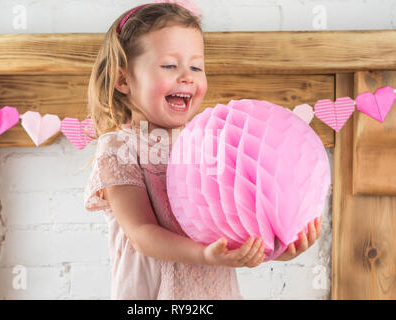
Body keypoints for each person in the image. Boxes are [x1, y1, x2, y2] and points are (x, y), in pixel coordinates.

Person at [83, 2, 322, 300]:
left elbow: (237, 218)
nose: (187, 76)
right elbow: (141, 232)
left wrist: (275, 245)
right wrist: (206, 255)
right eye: (170, 65)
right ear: (123, 80)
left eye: (196, 66)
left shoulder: (208, 143)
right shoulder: (120, 148)